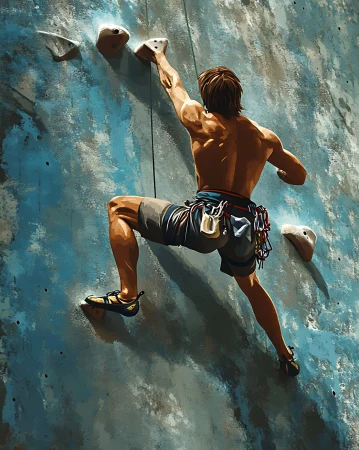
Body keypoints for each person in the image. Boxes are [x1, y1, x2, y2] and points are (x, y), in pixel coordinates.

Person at [84, 39, 307, 376]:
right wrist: (277, 170)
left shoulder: (200, 121)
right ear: (238, 98)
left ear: (207, 98)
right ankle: (285, 355)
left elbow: (173, 84)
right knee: (251, 286)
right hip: (244, 228)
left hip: (206, 221)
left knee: (119, 208)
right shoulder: (265, 138)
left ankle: (128, 294)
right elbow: (299, 174)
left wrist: (158, 54)